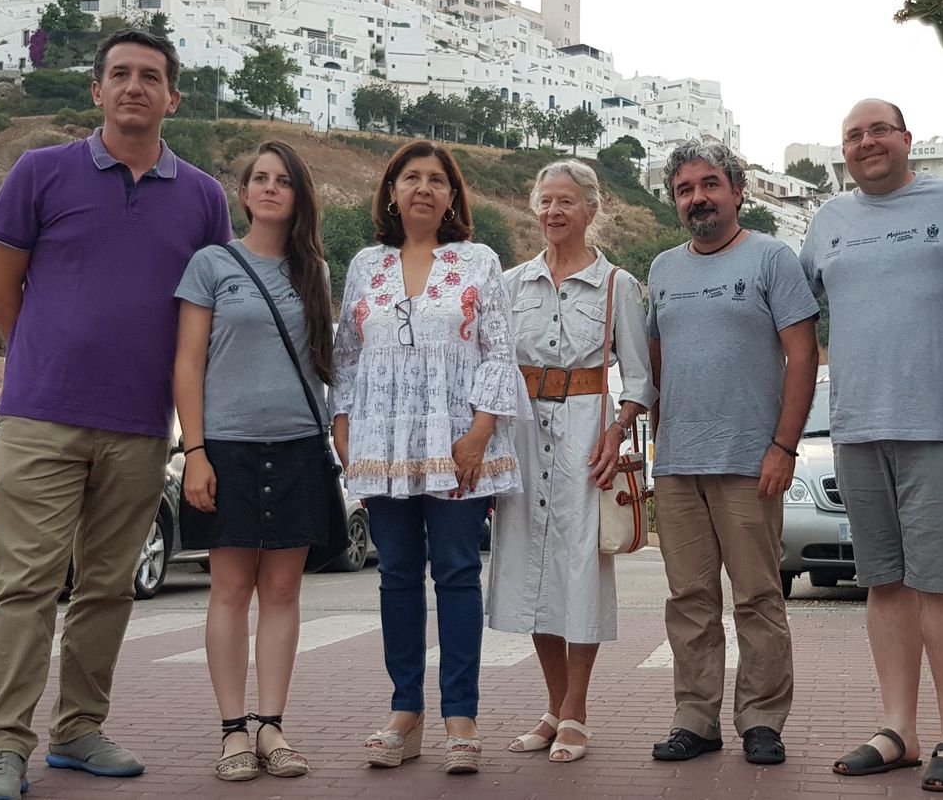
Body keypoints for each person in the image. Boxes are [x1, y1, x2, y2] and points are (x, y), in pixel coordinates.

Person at [0, 30, 232, 800]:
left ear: (173, 97)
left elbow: (206, 313)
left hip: (141, 425)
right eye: (119, 74)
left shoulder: (204, 196)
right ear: (96, 90)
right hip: (41, 417)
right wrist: (47, 356)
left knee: (109, 586)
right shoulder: (39, 172)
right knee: (23, 583)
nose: (134, 87)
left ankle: (79, 729)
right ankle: (2, 746)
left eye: (151, 76)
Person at [800, 100, 943, 792]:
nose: (866, 141)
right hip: (856, 428)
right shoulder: (827, 223)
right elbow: (792, 318)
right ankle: (899, 731)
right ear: (843, 152)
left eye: (879, 129)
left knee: (942, 586)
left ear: (908, 139)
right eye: (853, 134)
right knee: (882, 583)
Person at [332, 140, 521, 775]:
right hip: (383, 446)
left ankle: (460, 715)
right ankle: (404, 712)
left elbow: (498, 349)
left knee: (459, 574)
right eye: (411, 178)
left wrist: (478, 432)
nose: (423, 188)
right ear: (391, 192)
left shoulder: (477, 261)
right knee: (396, 578)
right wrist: (342, 426)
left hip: (459, 447)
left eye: (436, 180)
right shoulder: (364, 265)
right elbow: (347, 355)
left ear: (451, 197)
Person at [644, 140, 819, 766]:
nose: (699, 198)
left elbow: (803, 356)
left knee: (757, 598)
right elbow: (656, 366)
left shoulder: (772, 257)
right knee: (689, 601)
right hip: (678, 466)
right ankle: (696, 718)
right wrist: (662, 444)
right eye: (685, 189)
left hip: (753, 462)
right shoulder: (663, 269)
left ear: (737, 191)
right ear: (675, 200)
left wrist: (783, 446)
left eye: (710, 184)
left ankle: (762, 721)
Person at [172, 140, 335, 781]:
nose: (270, 188)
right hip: (229, 449)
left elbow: (329, 364)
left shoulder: (313, 272)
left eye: (282, 180)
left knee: (284, 591)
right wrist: (195, 452)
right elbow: (187, 361)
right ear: (243, 194)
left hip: (298, 446)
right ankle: (232, 730)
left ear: (298, 196)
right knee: (231, 590)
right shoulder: (212, 264)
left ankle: (272, 726)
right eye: (259, 179)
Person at [487, 160, 656, 764]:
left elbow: (639, 377)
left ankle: (577, 710)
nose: (554, 211)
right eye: (546, 200)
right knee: (532, 569)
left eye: (567, 201)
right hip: (525, 435)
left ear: (591, 209)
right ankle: (553, 707)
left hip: (588, 436)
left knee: (580, 570)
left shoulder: (618, 286)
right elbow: (493, 370)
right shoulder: (509, 285)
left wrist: (617, 428)